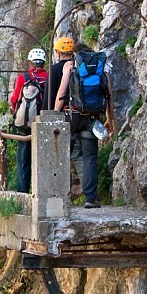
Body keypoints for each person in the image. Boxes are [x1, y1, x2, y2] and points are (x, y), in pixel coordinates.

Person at [53, 40, 116, 208]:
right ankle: (90, 198)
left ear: (75, 53)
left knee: (63, 155)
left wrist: (54, 114)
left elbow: (62, 92)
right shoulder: (101, 66)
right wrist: (110, 119)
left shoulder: (70, 66)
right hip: (91, 118)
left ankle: (59, 198)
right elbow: (109, 95)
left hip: (71, 116)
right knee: (89, 158)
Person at [9, 48, 47, 192]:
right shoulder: (48, 77)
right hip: (42, 123)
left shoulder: (23, 78)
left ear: (30, 62)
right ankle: (42, 191)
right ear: (43, 62)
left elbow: (14, 100)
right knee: (43, 159)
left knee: (23, 160)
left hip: (24, 125)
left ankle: (23, 192)